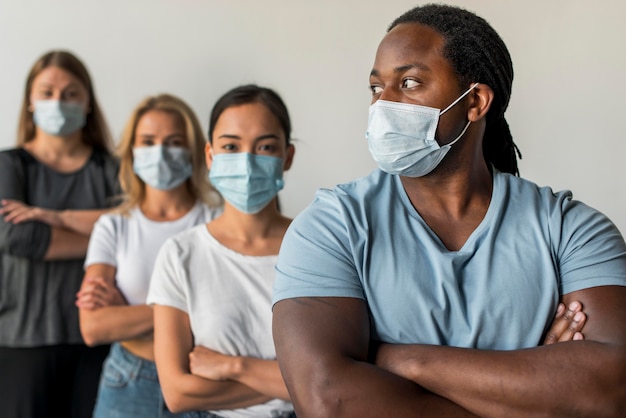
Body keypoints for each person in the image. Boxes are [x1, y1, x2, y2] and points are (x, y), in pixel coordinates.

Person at [272, 4, 626, 417]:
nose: (382, 104)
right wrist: (530, 395)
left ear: (474, 101)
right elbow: (328, 401)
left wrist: (399, 359)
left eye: (408, 82)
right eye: (375, 88)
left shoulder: (570, 229)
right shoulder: (332, 228)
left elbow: (613, 390)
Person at [148, 85, 296, 418]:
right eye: (231, 146)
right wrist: (289, 382)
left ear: (287, 157)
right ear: (210, 156)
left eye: (266, 147)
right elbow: (178, 392)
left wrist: (235, 367)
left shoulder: (319, 247)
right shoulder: (180, 255)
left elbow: (337, 377)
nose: (246, 161)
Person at [75, 93, 223, 417]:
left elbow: (228, 313)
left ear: (196, 150)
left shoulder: (219, 219)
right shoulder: (113, 226)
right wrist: (189, 309)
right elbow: (94, 327)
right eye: (148, 141)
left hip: (205, 381)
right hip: (128, 381)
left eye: (173, 141)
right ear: (131, 151)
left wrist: (128, 316)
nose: (160, 152)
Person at [0, 50, 120, 418]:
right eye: (47, 92)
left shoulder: (111, 168)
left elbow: (136, 226)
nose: (58, 102)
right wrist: (103, 237)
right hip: (21, 337)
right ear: (30, 103)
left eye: (71, 93)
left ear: (87, 103)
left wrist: (54, 218)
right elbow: (18, 238)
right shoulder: (9, 164)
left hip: (96, 336)